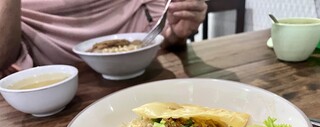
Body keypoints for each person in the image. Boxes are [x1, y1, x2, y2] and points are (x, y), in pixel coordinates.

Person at [0, 0, 207, 78]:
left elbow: (158, 36)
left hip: (143, 79)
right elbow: (3, 57)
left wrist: (175, 34)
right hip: (49, 97)